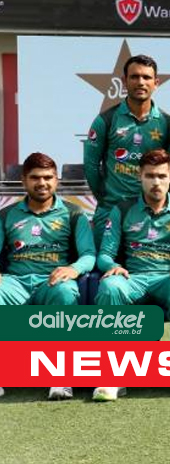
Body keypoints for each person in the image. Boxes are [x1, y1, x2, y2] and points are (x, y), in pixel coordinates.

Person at [92, 149, 170, 401]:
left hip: (167, 278)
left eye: (162, 176)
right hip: (132, 278)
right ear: (140, 177)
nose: (156, 182)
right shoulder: (122, 209)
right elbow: (104, 254)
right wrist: (112, 265)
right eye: (150, 176)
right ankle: (111, 375)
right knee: (110, 287)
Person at [0, 152, 95, 400]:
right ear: (24, 180)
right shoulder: (6, 214)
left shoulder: (74, 213)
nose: (42, 183)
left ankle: (61, 378)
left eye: (47, 177)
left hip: (51, 282)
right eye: (35, 178)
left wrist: (73, 269)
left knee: (65, 291)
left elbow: (88, 254)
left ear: (57, 180)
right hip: (15, 283)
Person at [84, 55, 170, 249]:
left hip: (149, 212)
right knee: (103, 263)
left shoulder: (168, 125)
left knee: (146, 264)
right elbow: (91, 165)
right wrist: (105, 197)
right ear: (124, 81)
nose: (141, 82)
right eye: (134, 76)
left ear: (156, 83)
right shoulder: (105, 120)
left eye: (146, 77)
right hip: (110, 209)